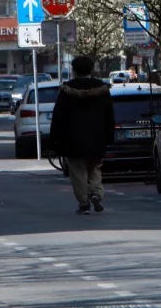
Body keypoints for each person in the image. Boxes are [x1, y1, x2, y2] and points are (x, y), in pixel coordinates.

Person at [49, 55, 115, 214]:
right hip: (97, 137)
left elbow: (58, 116)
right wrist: (109, 136)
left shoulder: (66, 90)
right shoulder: (102, 89)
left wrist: (54, 140)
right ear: (91, 69)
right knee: (95, 167)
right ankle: (96, 194)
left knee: (77, 171)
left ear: (74, 70)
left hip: (73, 139)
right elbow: (109, 115)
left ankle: (84, 203)